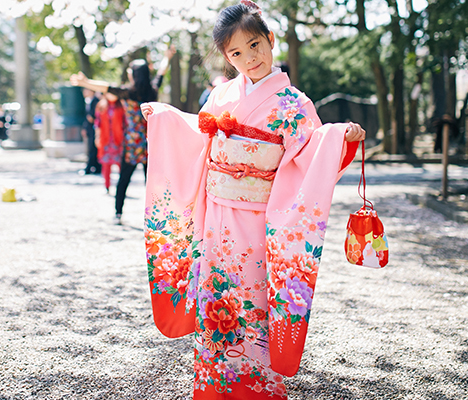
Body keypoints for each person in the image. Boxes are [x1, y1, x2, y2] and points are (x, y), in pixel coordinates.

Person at [140, 1, 366, 398]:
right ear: (227, 57)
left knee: (253, 299)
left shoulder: (294, 105)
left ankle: (257, 388)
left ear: (270, 40)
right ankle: (213, 387)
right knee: (216, 295)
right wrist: (164, 117)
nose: (250, 58)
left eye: (255, 45)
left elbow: (309, 151)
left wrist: (337, 137)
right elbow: (199, 134)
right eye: (237, 53)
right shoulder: (222, 93)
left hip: (259, 219)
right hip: (216, 216)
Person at [70, 47, 175, 224]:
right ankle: (158, 216)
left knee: (124, 180)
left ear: (134, 74)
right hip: (151, 144)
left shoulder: (128, 92)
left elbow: (104, 86)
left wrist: (85, 82)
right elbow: (161, 72)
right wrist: (167, 57)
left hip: (132, 144)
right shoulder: (153, 90)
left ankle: (118, 213)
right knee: (152, 182)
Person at [94, 92, 125, 193]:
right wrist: (97, 136)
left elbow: (125, 122)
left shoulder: (122, 106)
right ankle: (107, 185)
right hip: (106, 139)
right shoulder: (101, 106)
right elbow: (97, 123)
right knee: (106, 164)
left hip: (118, 139)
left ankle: (122, 187)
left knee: (121, 164)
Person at [82, 88, 101, 175]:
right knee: (91, 148)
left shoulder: (96, 101)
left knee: (93, 148)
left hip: (95, 128)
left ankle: (91, 167)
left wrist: (92, 119)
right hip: (90, 129)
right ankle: (94, 167)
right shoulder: (88, 101)